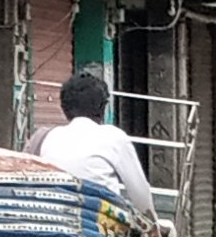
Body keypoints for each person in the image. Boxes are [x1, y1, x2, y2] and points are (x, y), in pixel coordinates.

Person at [33, 64, 156, 224]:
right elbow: (140, 194)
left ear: (63, 108)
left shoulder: (46, 137)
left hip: (52, 227)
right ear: (103, 108)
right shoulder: (114, 137)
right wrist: (154, 227)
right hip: (100, 231)